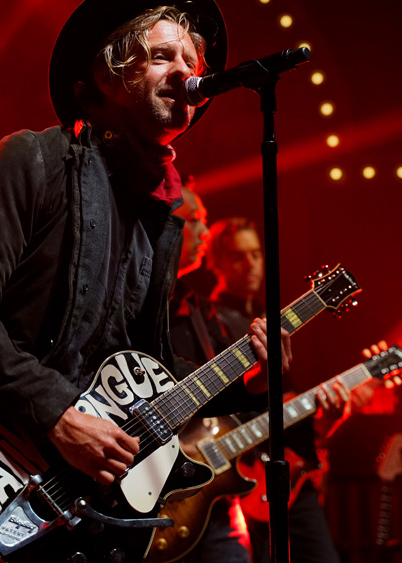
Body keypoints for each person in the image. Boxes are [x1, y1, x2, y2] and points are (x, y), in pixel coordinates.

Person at [0, 0, 292, 562]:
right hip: (8, 474)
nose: (185, 71)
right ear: (108, 77)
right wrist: (56, 415)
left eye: (190, 58)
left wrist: (244, 373)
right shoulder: (30, 160)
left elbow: (141, 371)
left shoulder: (163, 216)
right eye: (160, 56)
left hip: (99, 510)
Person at [204, 217, 371, 563]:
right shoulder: (204, 319)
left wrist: (330, 417)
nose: (250, 264)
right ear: (215, 263)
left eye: (255, 254)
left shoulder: (272, 319)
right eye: (237, 256)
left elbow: (291, 411)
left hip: (290, 477)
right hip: (238, 477)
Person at [167, 182, 254, 563]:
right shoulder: (130, 306)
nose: (205, 232)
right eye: (195, 221)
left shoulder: (203, 312)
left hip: (215, 499)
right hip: (154, 496)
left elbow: (236, 400)